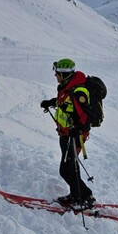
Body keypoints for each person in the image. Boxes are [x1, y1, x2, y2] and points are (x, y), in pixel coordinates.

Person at [40, 58, 94, 208]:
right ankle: (76, 195)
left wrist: (78, 129)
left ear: (64, 74)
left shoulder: (78, 91)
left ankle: (85, 197)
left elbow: (86, 116)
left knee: (67, 169)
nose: (55, 76)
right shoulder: (67, 86)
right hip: (65, 134)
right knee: (69, 167)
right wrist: (51, 102)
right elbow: (65, 103)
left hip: (74, 137)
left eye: (57, 73)